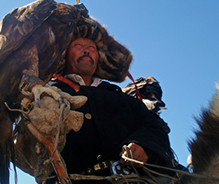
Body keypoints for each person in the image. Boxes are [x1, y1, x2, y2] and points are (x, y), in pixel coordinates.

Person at [46, 37, 174, 184]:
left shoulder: (119, 97)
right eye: (77, 45)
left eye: (92, 48)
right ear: (65, 54)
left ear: (98, 57)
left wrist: (143, 145)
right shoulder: (50, 93)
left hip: (131, 178)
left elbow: (153, 126)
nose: (86, 50)